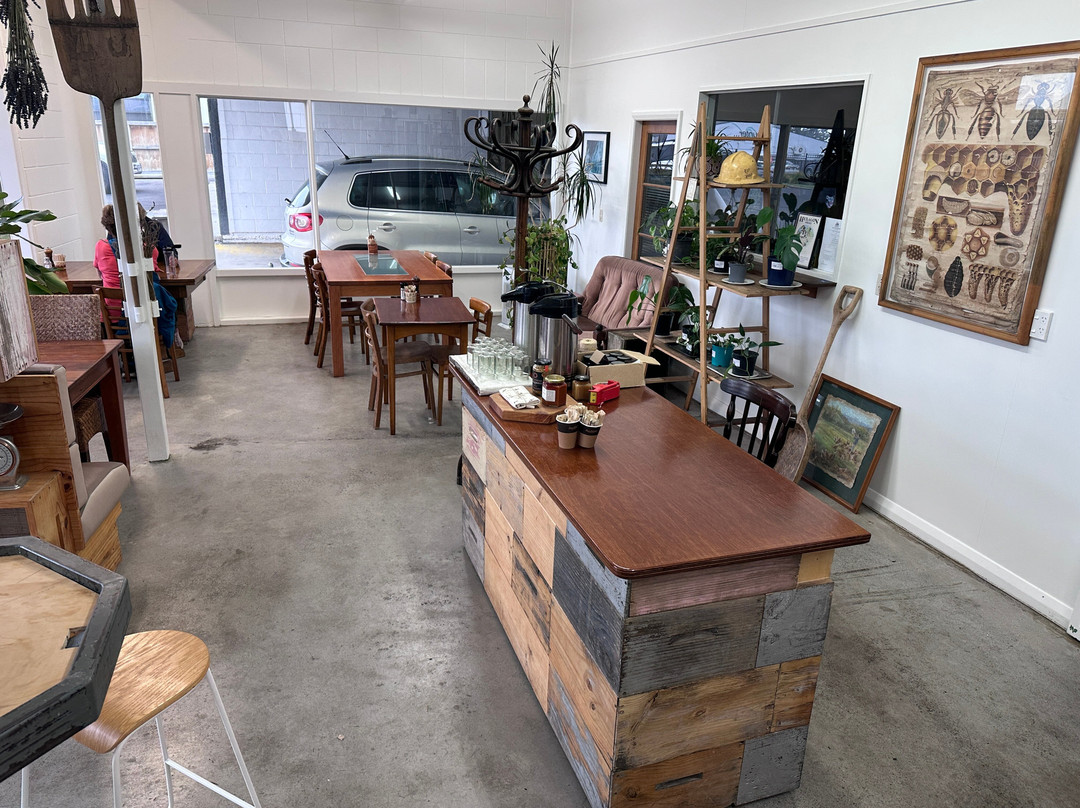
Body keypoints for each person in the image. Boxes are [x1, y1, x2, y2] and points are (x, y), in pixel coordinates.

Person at [94, 204, 179, 349]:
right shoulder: (147, 249)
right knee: (167, 301)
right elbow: (152, 273)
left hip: (112, 315)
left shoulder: (100, 247)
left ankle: (124, 355)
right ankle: (167, 344)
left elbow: (100, 274)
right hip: (143, 313)